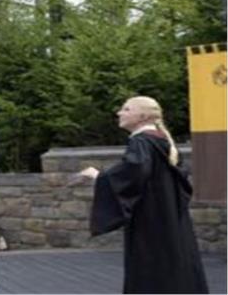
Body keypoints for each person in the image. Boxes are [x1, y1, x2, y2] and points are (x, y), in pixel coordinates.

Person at [79, 96, 208, 294]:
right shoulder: (162, 142)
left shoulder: (142, 142)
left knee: (152, 270)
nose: (119, 113)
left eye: (126, 109)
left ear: (142, 116)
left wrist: (98, 177)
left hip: (150, 222)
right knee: (174, 266)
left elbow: (134, 171)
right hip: (170, 219)